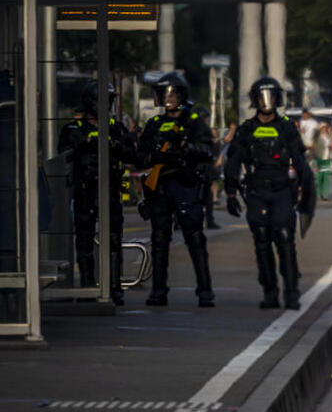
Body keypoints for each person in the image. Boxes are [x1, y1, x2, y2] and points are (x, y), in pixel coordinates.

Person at [224, 77, 316, 310]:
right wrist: (231, 193)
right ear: (255, 100)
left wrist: (305, 192)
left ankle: (292, 291)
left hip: (282, 190)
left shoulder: (286, 127)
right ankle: (270, 291)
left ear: (277, 99)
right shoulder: (247, 129)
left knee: (285, 239)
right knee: (262, 241)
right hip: (256, 191)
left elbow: (300, 161)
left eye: (271, 96)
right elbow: (233, 161)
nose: (267, 102)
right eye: (262, 97)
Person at [136, 72, 216, 307]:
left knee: (195, 238)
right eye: (164, 94)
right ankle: (158, 291)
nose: (168, 98)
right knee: (160, 240)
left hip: (185, 185)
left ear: (182, 95)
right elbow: (140, 155)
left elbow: (208, 151)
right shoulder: (155, 124)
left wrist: (184, 146)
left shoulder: (192, 122)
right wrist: (155, 156)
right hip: (161, 187)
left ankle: (205, 291)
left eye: (173, 94)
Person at [57, 80, 137, 305]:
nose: (106, 105)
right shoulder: (74, 128)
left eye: (109, 100)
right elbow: (63, 154)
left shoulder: (115, 127)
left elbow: (133, 155)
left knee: (113, 239)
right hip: (85, 190)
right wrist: (84, 142)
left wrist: (114, 145)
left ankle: (114, 287)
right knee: (84, 240)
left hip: (109, 190)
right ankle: (87, 286)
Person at [312, 123, 332, 200]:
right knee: (319, 176)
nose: (324, 129)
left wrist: (331, 134)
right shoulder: (317, 137)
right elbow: (316, 147)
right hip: (320, 158)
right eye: (323, 128)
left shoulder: (328, 137)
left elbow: (331, 144)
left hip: (327, 159)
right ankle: (318, 194)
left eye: (325, 128)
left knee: (326, 177)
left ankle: (324, 195)